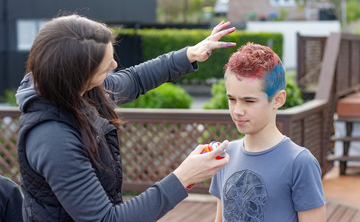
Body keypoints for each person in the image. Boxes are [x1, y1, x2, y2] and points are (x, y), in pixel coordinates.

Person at [15, 14, 235, 221]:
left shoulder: (75, 90)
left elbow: (135, 79)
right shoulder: (53, 139)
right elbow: (106, 219)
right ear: (79, 75)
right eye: (105, 66)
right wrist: (184, 177)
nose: (114, 66)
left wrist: (190, 54)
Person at [209, 42, 326, 222]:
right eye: (232, 99)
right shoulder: (225, 156)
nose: (237, 110)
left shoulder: (300, 163)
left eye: (249, 101)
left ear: (278, 99)